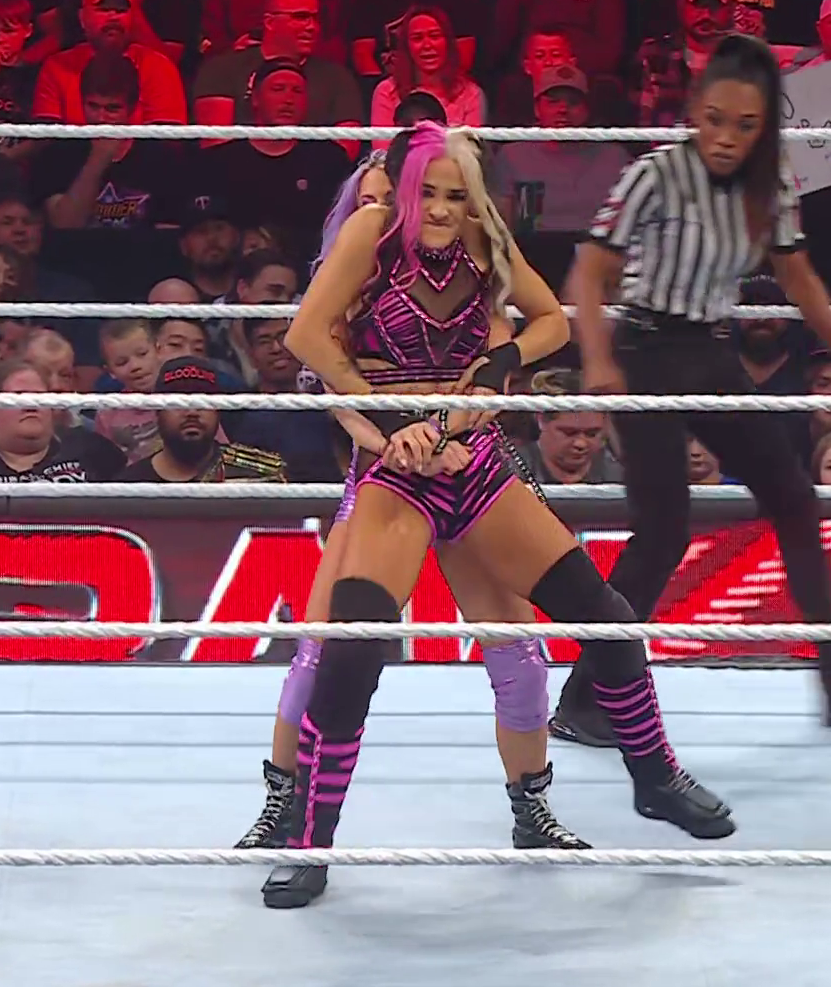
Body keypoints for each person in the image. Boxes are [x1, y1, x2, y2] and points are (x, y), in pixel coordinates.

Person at [265, 121, 735, 909]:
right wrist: (386, 418)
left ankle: (654, 777)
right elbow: (306, 336)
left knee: (606, 619)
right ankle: (308, 841)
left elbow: (551, 321)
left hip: (476, 462)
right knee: (350, 650)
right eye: (429, 193)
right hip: (396, 470)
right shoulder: (371, 234)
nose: (441, 210)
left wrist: (497, 366)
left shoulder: (486, 242)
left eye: (456, 195)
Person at [551, 34, 831, 745]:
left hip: (710, 350)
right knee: (662, 532)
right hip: (647, 348)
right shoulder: (654, 174)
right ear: (695, 111)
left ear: (764, 126)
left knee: (794, 497)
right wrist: (596, 359)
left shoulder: (769, 183)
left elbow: (797, 275)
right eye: (715, 119)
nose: (725, 138)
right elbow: (588, 272)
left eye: (744, 125)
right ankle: (584, 697)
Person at [237, 150, 588, 856]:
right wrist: (400, 439)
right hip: (384, 479)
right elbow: (339, 396)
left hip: (471, 474)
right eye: (377, 202)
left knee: (519, 651)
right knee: (323, 648)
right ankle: (284, 805)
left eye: (400, 200)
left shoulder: (470, 273)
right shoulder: (351, 290)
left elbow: (497, 375)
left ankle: (533, 807)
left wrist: (453, 431)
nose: (399, 215)